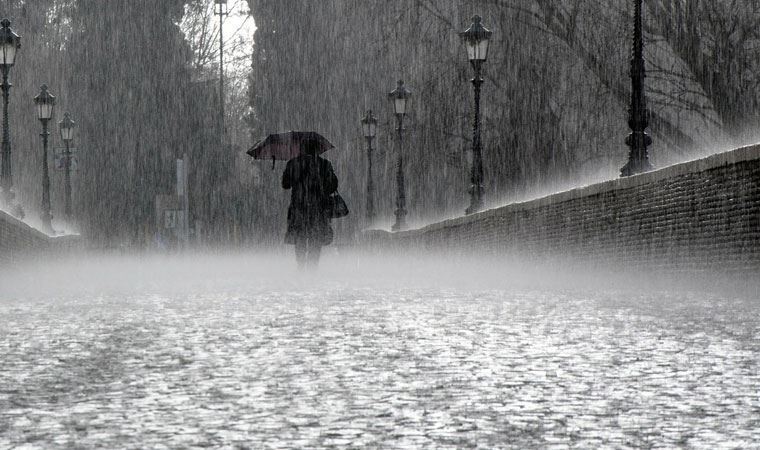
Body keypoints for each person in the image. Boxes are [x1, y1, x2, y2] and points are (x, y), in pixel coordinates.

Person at [282, 141, 338, 268]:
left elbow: (285, 185)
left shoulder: (293, 164)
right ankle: (313, 267)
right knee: (315, 239)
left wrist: (290, 175)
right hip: (318, 208)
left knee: (300, 238)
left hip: (298, 207)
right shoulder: (324, 164)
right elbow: (333, 186)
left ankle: (301, 265)